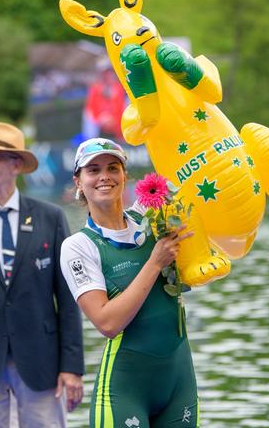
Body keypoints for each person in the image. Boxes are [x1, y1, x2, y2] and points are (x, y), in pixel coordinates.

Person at [60, 137, 198, 427]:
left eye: (113, 168)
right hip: (125, 389)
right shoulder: (78, 246)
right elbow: (107, 323)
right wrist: (154, 263)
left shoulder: (155, 218)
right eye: (93, 170)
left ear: (125, 175)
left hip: (179, 382)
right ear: (78, 181)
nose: (104, 177)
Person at [0, 121, 84, 427]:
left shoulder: (50, 217)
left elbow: (68, 299)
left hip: (41, 361)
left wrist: (72, 367)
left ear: (16, 163)